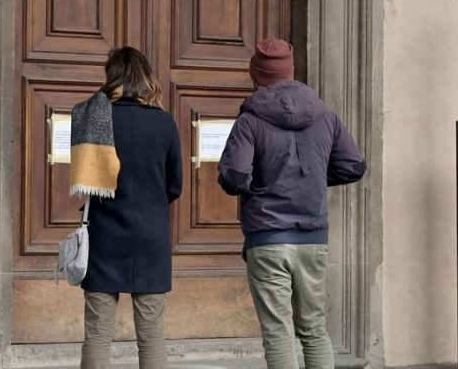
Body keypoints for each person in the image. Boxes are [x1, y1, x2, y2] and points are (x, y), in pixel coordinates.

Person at [217, 38, 366, 369]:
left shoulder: (250, 119)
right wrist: (311, 180)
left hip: (268, 238)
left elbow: (234, 177)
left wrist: (263, 183)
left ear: (256, 75)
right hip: (313, 238)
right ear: (290, 71)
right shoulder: (326, 116)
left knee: (278, 332)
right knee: (314, 330)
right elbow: (354, 166)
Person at [71, 47, 182, 369]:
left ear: (112, 76)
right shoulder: (164, 123)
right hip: (151, 236)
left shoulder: (92, 117)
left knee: (97, 333)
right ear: (144, 77)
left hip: (104, 236)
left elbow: (84, 180)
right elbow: (174, 185)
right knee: (151, 335)